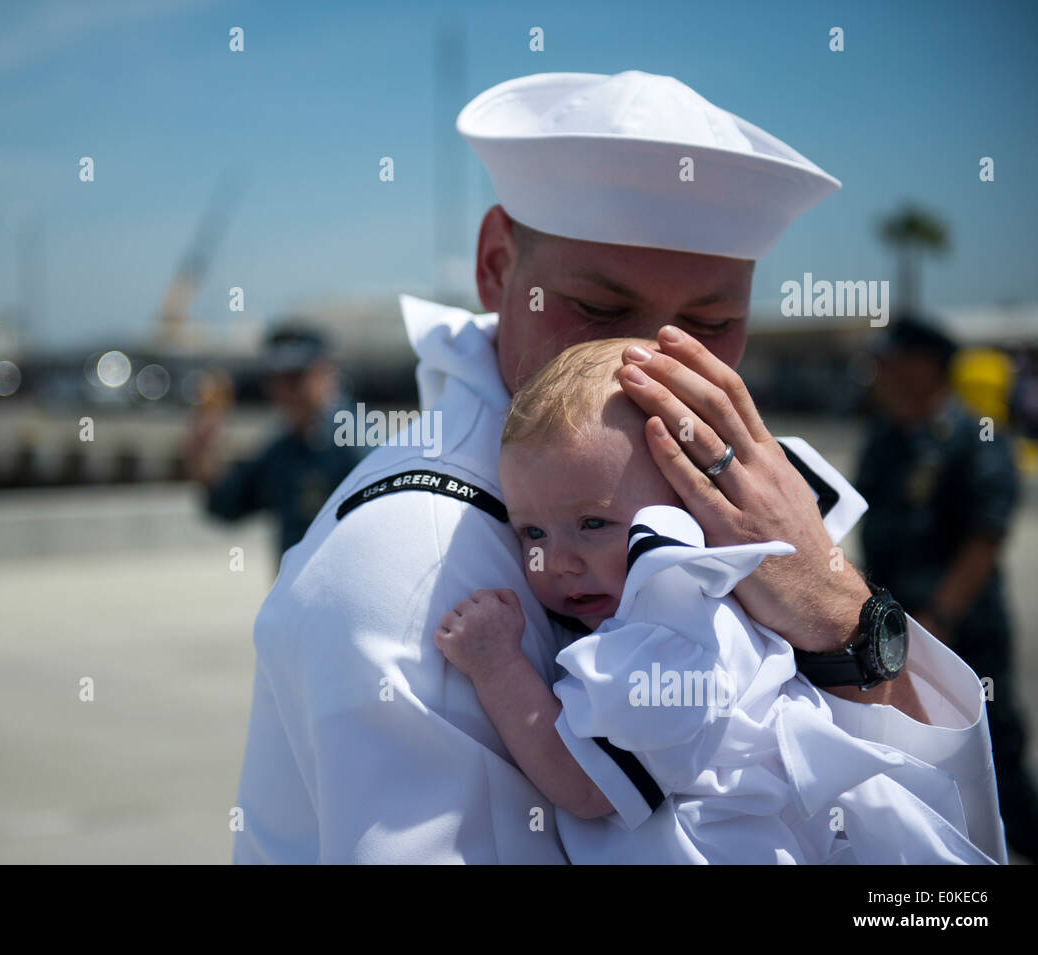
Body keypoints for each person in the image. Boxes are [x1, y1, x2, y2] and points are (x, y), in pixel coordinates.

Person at [232, 71, 1005, 863]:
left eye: (711, 323)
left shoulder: (750, 504)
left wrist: (840, 613)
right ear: (498, 264)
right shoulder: (415, 565)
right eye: (599, 311)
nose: (647, 363)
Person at [434, 338, 995, 863]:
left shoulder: (671, 634)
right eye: (532, 533)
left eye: (592, 522)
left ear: (694, 505)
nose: (556, 561)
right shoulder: (696, 613)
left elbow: (583, 785)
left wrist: (497, 666)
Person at [857, 315, 1038, 860]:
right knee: (913, 752)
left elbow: (985, 538)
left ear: (925, 368)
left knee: (991, 748)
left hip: (962, 631)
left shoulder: (974, 436)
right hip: (897, 629)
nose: (878, 373)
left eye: (890, 361)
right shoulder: (885, 437)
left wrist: (938, 619)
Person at [181, 323, 364, 562]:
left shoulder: (354, 441)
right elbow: (228, 504)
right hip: (298, 595)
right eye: (275, 379)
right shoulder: (284, 448)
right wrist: (202, 448)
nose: (283, 391)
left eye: (294, 378)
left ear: (326, 373)